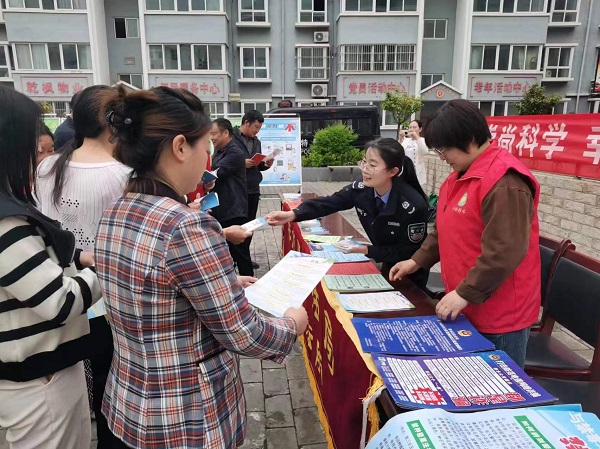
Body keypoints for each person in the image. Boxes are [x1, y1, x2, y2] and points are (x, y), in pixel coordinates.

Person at [94, 86, 308, 449]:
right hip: (187, 417)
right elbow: (243, 333)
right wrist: (291, 324)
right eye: (204, 145)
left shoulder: (117, 209)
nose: (207, 158)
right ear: (180, 147)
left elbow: (155, 292)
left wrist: (225, 285)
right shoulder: (187, 225)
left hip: (130, 405)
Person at [389, 99, 541, 368]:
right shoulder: (460, 175)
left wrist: (464, 293)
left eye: (445, 149)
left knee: (497, 386)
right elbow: (445, 229)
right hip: (466, 300)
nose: (442, 157)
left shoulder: (505, 181)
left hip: (499, 313)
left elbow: (504, 251)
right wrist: (417, 261)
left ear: (469, 140)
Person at [0, 87, 102, 448]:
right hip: (39, 384)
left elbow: (29, 265)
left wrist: (79, 258)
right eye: (33, 147)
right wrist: (109, 265)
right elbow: (60, 302)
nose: (39, 158)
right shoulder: (6, 225)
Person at [35, 85, 131, 449]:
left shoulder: (47, 166)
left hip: (58, 291)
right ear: (114, 123)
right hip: (107, 297)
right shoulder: (124, 174)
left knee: (79, 382)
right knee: (110, 387)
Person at [266, 137, 431, 289]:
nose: (365, 170)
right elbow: (329, 202)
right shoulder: (361, 189)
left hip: (410, 274)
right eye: (364, 162)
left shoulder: (412, 205)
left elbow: (408, 252)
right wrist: (293, 214)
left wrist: (366, 250)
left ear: (392, 171)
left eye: (373, 165)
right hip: (386, 265)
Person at [206, 118, 253, 276]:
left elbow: (215, 173)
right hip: (222, 207)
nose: (211, 138)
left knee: (241, 253)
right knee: (227, 253)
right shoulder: (219, 151)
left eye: (214, 134)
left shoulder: (235, 152)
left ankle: (250, 283)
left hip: (233, 210)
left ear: (226, 133)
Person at [233, 110, 273, 269]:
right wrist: (241, 163)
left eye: (259, 128)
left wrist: (265, 164)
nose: (257, 131)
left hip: (253, 188)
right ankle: (236, 259)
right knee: (237, 224)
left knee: (250, 225)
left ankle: (244, 257)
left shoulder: (256, 141)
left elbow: (258, 165)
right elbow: (222, 160)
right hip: (237, 189)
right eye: (256, 127)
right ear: (246, 123)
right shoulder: (231, 138)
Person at [401, 119, 429, 191]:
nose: (412, 129)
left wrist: (416, 137)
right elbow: (399, 151)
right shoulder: (406, 141)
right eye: (410, 127)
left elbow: (425, 151)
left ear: (420, 129)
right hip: (406, 171)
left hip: (418, 172)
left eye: (414, 127)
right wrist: (400, 139)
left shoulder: (422, 140)